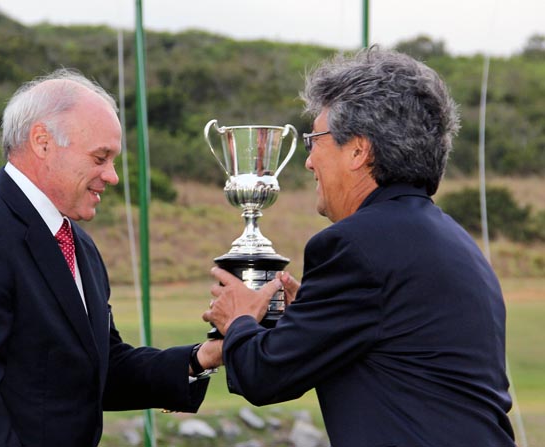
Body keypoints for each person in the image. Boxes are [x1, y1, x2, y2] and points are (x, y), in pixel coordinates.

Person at [203, 47, 516, 447]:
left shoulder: (356, 246)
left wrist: (239, 320)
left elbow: (263, 377)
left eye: (313, 140)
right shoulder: (453, 241)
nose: (309, 162)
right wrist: (306, 324)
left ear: (358, 151)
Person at [0, 68, 222, 447]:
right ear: (43, 142)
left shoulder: (78, 243)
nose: (111, 176)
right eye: (100, 157)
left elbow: (101, 368)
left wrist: (202, 357)